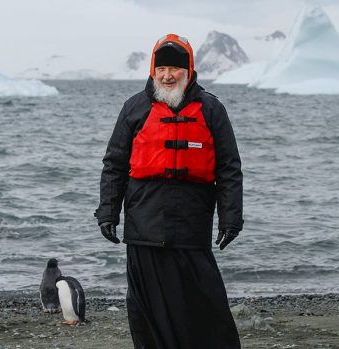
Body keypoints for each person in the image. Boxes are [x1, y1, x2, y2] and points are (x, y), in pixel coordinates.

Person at [95, 33, 243, 349]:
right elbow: (114, 165)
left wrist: (231, 219)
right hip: (144, 231)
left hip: (192, 230)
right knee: (147, 316)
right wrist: (108, 212)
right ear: (153, 69)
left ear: (188, 70)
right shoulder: (134, 108)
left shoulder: (212, 110)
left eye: (174, 68)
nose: (167, 75)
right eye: (161, 68)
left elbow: (229, 168)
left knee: (207, 310)